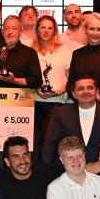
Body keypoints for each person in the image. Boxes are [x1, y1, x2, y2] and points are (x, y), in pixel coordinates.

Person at [41, 76, 100, 179]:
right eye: (81, 89)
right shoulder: (61, 113)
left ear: (97, 91)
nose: (86, 92)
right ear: (73, 94)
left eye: (90, 88)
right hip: (69, 173)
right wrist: (47, 172)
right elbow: (49, 144)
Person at [32, 15, 73, 163]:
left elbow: (70, 75)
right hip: (34, 102)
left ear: (54, 30)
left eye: (50, 28)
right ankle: (35, 172)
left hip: (57, 102)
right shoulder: (30, 50)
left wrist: (61, 90)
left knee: (48, 142)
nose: (46, 31)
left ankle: (46, 173)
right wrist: (36, 89)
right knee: (34, 141)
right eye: (43, 27)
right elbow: (28, 76)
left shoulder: (64, 49)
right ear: (37, 29)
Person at [0, 16, 42, 90]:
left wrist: (14, 80)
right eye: (6, 28)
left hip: (20, 97)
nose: (10, 32)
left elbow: (37, 81)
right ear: (2, 32)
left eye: (14, 28)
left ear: (21, 32)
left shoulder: (30, 53)